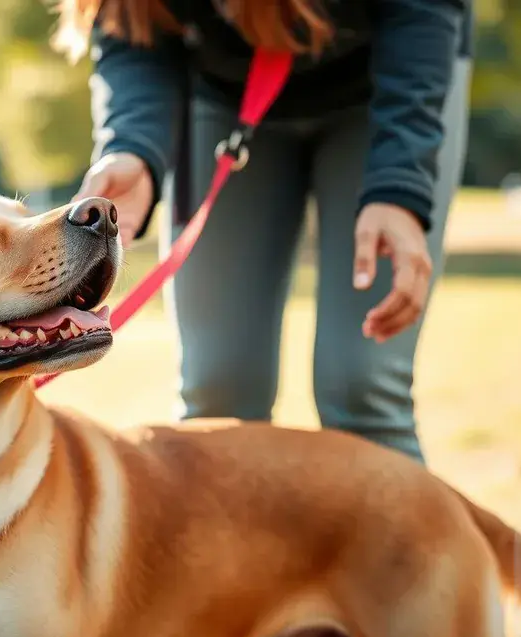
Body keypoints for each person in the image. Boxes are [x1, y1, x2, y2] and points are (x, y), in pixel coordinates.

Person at [54, 0, 472, 469]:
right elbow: (134, 25)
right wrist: (132, 145)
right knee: (218, 390)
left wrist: (400, 186)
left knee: (363, 387)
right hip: (223, 100)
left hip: (389, 88)